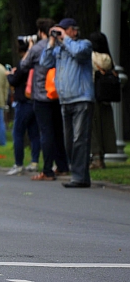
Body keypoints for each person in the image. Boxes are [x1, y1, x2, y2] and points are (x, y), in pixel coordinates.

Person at [40, 18, 94, 188]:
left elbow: (78, 53)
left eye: (64, 30)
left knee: (80, 139)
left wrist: (65, 38)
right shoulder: (59, 49)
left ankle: (79, 177)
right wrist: (50, 41)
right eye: (59, 30)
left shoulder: (84, 44)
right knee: (69, 140)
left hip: (81, 98)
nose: (61, 33)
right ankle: (80, 176)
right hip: (65, 100)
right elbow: (44, 63)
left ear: (74, 30)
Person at [20, 18, 69, 181]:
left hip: (42, 95)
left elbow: (23, 65)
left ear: (41, 32)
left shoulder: (39, 47)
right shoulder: (61, 44)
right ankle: (62, 166)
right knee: (58, 132)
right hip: (57, 93)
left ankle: (47, 170)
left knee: (46, 133)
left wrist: (30, 48)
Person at [6, 39, 40, 176]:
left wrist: (9, 75)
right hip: (35, 101)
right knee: (34, 133)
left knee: (18, 133)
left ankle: (18, 164)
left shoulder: (24, 64)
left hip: (23, 101)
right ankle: (34, 162)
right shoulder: (37, 63)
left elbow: (15, 80)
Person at [88, 32, 118, 169]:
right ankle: (103, 156)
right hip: (105, 97)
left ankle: (96, 158)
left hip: (93, 94)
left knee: (93, 128)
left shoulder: (92, 57)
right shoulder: (108, 58)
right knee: (105, 127)